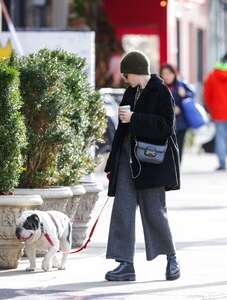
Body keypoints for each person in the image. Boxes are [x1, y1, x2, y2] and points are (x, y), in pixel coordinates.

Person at [104, 50, 180, 282]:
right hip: (127, 160)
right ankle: (125, 264)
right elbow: (121, 133)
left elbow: (166, 126)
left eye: (127, 74)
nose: (125, 78)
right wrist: (111, 164)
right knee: (122, 210)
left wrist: (134, 118)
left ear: (137, 71)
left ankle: (171, 258)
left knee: (154, 212)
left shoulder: (161, 92)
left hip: (152, 162)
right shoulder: (130, 92)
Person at [160, 63, 195, 162]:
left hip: (181, 123)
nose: (166, 76)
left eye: (169, 73)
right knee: (166, 148)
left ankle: (177, 169)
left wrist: (184, 94)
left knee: (179, 147)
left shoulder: (181, 84)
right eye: (164, 73)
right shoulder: (160, 87)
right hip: (166, 123)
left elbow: (192, 95)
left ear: (174, 74)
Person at [204, 53, 227, 171]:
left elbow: (207, 95)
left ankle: (222, 163)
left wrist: (211, 108)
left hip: (218, 112)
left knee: (220, 137)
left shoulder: (213, 76)